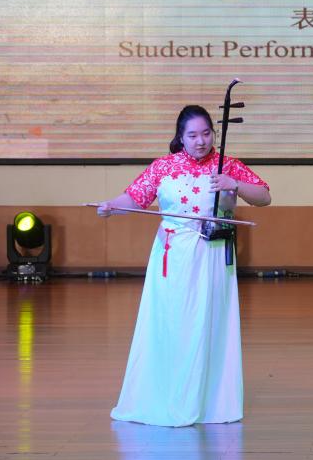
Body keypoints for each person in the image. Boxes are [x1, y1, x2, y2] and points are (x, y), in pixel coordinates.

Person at [98, 105, 271, 426]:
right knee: (172, 321)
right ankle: (165, 394)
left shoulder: (229, 165)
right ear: (181, 137)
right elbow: (134, 198)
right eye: (192, 135)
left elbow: (263, 196)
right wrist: (111, 206)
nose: (200, 141)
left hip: (212, 254)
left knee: (207, 321)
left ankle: (208, 401)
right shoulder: (163, 166)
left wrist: (233, 184)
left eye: (206, 134)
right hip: (172, 254)